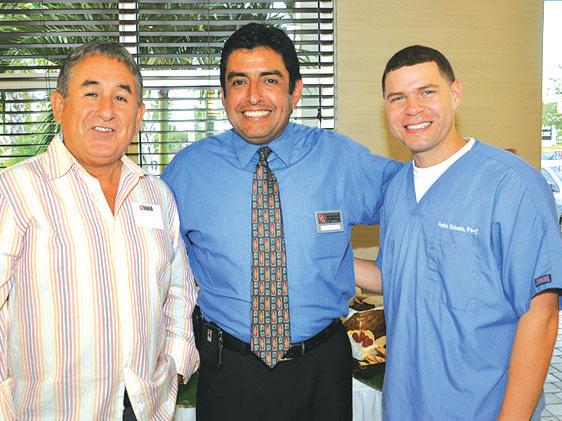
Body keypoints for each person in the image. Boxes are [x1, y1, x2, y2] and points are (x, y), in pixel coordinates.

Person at [0, 41, 198, 420]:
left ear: (139, 115)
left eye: (121, 97)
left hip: (143, 407)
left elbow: (179, 292)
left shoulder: (156, 195)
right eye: (91, 93)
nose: (106, 110)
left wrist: (176, 364)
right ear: (59, 106)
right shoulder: (9, 193)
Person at [161, 23, 398, 421]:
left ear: (295, 90)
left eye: (269, 80)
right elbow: (155, 266)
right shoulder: (187, 171)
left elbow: (418, 196)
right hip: (228, 370)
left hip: (321, 368)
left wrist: (478, 172)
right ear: (223, 95)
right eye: (239, 82)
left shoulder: (340, 159)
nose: (253, 96)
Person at [355, 45, 562, 420]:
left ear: (455, 93)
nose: (412, 108)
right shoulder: (396, 191)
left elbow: (541, 317)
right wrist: (321, 257)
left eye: (427, 92)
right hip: (405, 404)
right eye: (398, 98)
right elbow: (399, 279)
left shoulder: (511, 184)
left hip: (481, 408)